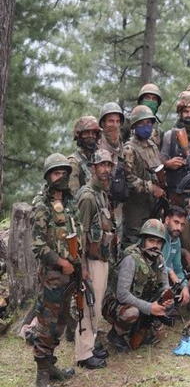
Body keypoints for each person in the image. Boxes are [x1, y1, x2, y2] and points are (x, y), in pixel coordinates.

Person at [31, 153, 81, 386]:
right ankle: (42, 371)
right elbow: (38, 246)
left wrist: (78, 264)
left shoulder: (70, 203)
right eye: (56, 172)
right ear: (48, 177)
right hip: (53, 276)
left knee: (61, 320)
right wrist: (62, 263)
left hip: (70, 275)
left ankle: (50, 364)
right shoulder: (42, 206)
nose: (61, 176)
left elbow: (76, 235)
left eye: (64, 172)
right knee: (46, 323)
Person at [103, 219, 173, 352]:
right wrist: (149, 308)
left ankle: (143, 329)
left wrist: (167, 299)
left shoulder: (159, 259)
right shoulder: (131, 259)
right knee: (132, 313)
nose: (155, 246)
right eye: (151, 241)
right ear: (143, 241)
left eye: (158, 242)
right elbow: (122, 294)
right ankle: (116, 334)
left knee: (165, 301)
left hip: (141, 298)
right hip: (115, 303)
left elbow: (165, 285)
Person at [74, 149, 116, 369]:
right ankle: (83, 354)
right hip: (90, 260)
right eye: (102, 165)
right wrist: (82, 267)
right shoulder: (89, 196)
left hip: (102, 257)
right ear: (93, 168)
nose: (106, 169)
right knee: (89, 307)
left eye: (109, 165)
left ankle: (90, 344)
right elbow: (81, 234)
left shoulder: (102, 192)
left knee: (96, 306)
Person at [121, 105, 165, 245]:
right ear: (134, 126)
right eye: (141, 123)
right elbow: (128, 179)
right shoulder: (129, 149)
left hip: (153, 205)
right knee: (135, 244)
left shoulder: (152, 145)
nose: (146, 126)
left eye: (148, 123)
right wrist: (151, 188)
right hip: (136, 208)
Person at [161, 91, 190, 206]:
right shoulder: (170, 136)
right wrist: (168, 164)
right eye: (186, 112)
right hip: (174, 196)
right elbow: (158, 165)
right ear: (180, 113)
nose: (189, 115)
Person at [162, 205, 190, 307]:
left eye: (182, 224)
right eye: (176, 222)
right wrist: (169, 271)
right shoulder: (157, 234)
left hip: (165, 278)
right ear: (167, 220)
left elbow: (178, 269)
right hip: (150, 279)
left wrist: (184, 287)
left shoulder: (176, 241)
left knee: (188, 288)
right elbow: (151, 264)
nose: (179, 228)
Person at [68, 116, 102, 195]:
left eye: (93, 133)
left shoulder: (98, 158)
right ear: (79, 136)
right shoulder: (74, 162)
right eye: (86, 133)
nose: (91, 136)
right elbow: (74, 195)